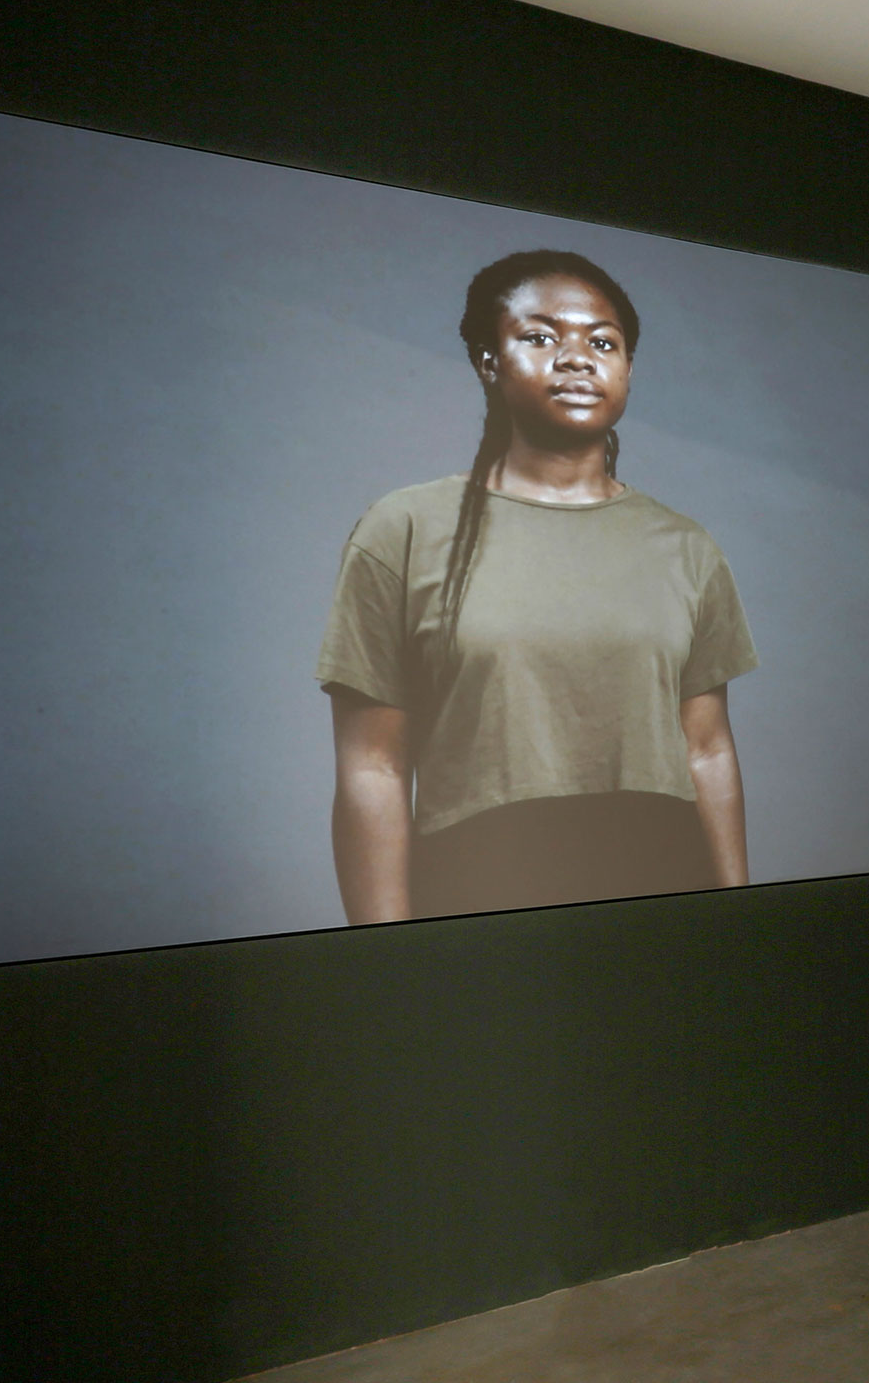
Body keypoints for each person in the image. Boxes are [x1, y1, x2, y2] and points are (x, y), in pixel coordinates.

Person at [317, 250, 756, 922]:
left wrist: (742, 926)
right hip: (481, 895)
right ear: (488, 361)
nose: (577, 358)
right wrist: (385, 958)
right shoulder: (403, 530)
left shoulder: (685, 546)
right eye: (541, 336)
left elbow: (708, 749)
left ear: (628, 370)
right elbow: (372, 768)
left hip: (666, 891)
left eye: (602, 342)